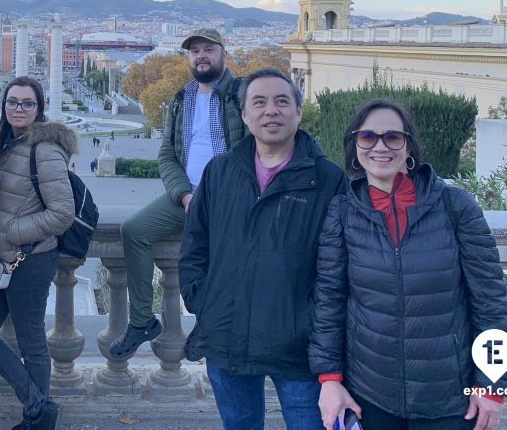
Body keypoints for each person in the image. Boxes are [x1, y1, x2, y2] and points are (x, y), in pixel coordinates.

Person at [310, 99, 507, 430]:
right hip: (370, 397)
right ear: (355, 147)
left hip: (450, 401)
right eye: (368, 137)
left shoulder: (455, 206)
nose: (380, 146)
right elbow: (330, 301)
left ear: (409, 147)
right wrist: (329, 379)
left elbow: (490, 303)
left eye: (393, 136)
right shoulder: (343, 213)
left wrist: (493, 384)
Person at [178, 67, 347, 430]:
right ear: (244, 115)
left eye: (282, 101)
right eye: (260, 102)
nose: (271, 110)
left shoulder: (328, 179)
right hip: (228, 337)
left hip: (299, 348)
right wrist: (203, 301)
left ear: (298, 113)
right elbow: (195, 245)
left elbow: (339, 265)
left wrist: (313, 319)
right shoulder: (220, 172)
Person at [110, 27, 246, 358]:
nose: (201, 55)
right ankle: (142, 320)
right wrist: (184, 195)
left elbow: (251, 149)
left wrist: (222, 195)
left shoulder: (242, 93)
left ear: (223, 54)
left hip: (228, 200)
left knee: (218, 259)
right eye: (194, 50)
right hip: (187, 198)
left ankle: (208, 323)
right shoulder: (181, 98)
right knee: (134, 230)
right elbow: (167, 154)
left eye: (208, 49)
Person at [0, 76, 75, 430]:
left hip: (29, 260)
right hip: (1, 261)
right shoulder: (9, 142)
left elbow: (62, 213)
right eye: (12, 102)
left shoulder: (44, 149)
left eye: (27, 103)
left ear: (39, 108)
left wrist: (12, 232)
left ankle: (36, 418)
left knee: (32, 345)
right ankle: (38, 403)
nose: (18, 108)